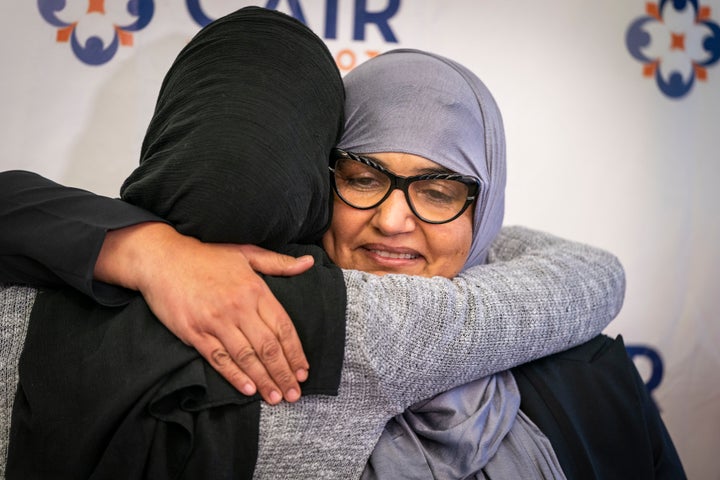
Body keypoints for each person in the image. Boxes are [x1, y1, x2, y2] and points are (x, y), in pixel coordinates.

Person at [0, 7, 681, 480]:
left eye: (440, 190)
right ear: (318, 185)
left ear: (488, 204)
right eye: (362, 178)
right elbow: (591, 273)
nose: (392, 221)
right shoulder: (302, 334)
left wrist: (134, 244)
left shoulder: (590, 375)